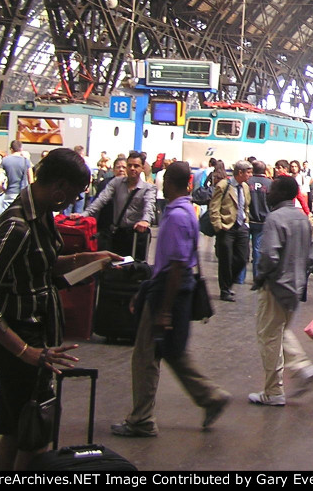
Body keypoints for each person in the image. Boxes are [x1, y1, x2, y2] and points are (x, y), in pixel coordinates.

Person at [0, 148, 122, 469]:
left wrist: (90, 259)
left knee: (19, 430)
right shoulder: (16, 226)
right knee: (34, 430)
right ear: (60, 188)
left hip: (31, 331)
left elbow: (45, 265)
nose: (71, 200)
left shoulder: (42, 213)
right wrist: (25, 352)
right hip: (15, 335)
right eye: (72, 193)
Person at [111, 162, 231, 438]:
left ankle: (141, 418)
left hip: (169, 290)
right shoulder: (186, 211)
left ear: (167, 184)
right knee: (172, 352)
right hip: (171, 287)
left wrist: (163, 309)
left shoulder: (176, 215)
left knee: (146, 356)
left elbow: (175, 264)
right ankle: (209, 396)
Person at [249, 175, 313, 405]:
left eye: (272, 189)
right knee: (280, 330)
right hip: (295, 285)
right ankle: (301, 366)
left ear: (280, 193)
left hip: (275, 285)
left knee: (269, 336)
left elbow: (269, 254)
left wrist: (262, 276)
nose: (268, 193)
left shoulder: (274, 219)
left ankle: (273, 391)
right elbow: (311, 257)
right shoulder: (302, 218)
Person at [82, 151, 156, 258]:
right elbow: (100, 200)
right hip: (118, 234)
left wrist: (145, 221)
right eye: (129, 165)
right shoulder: (116, 182)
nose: (132, 168)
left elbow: (149, 206)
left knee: (136, 268)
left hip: (136, 235)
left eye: (136, 166)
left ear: (142, 168)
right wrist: (83, 215)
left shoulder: (148, 188)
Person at [210, 160, 252, 302]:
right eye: (248, 172)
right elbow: (214, 206)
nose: (250, 175)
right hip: (226, 227)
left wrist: (246, 221)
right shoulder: (224, 185)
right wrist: (218, 225)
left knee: (242, 257)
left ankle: (229, 282)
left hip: (241, 226)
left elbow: (246, 205)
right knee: (225, 259)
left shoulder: (245, 187)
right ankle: (225, 289)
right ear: (240, 172)